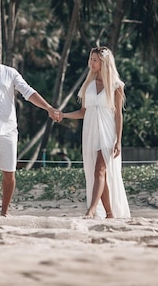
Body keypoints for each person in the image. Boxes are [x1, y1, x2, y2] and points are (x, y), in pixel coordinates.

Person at [0, 40, 59, 216]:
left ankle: (5, 212)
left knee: (9, 174)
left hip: (9, 130)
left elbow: (28, 92)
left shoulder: (10, 73)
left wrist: (48, 108)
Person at [56, 46, 131, 219]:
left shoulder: (116, 86)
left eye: (95, 60)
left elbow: (118, 115)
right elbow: (83, 112)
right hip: (90, 132)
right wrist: (64, 115)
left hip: (107, 132)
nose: (91, 63)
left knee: (100, 169)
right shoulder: (88, 85)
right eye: (91, 59)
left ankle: (91, 209)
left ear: (104, 62)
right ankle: (110, 213)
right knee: (97, 172)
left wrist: (118, 141)